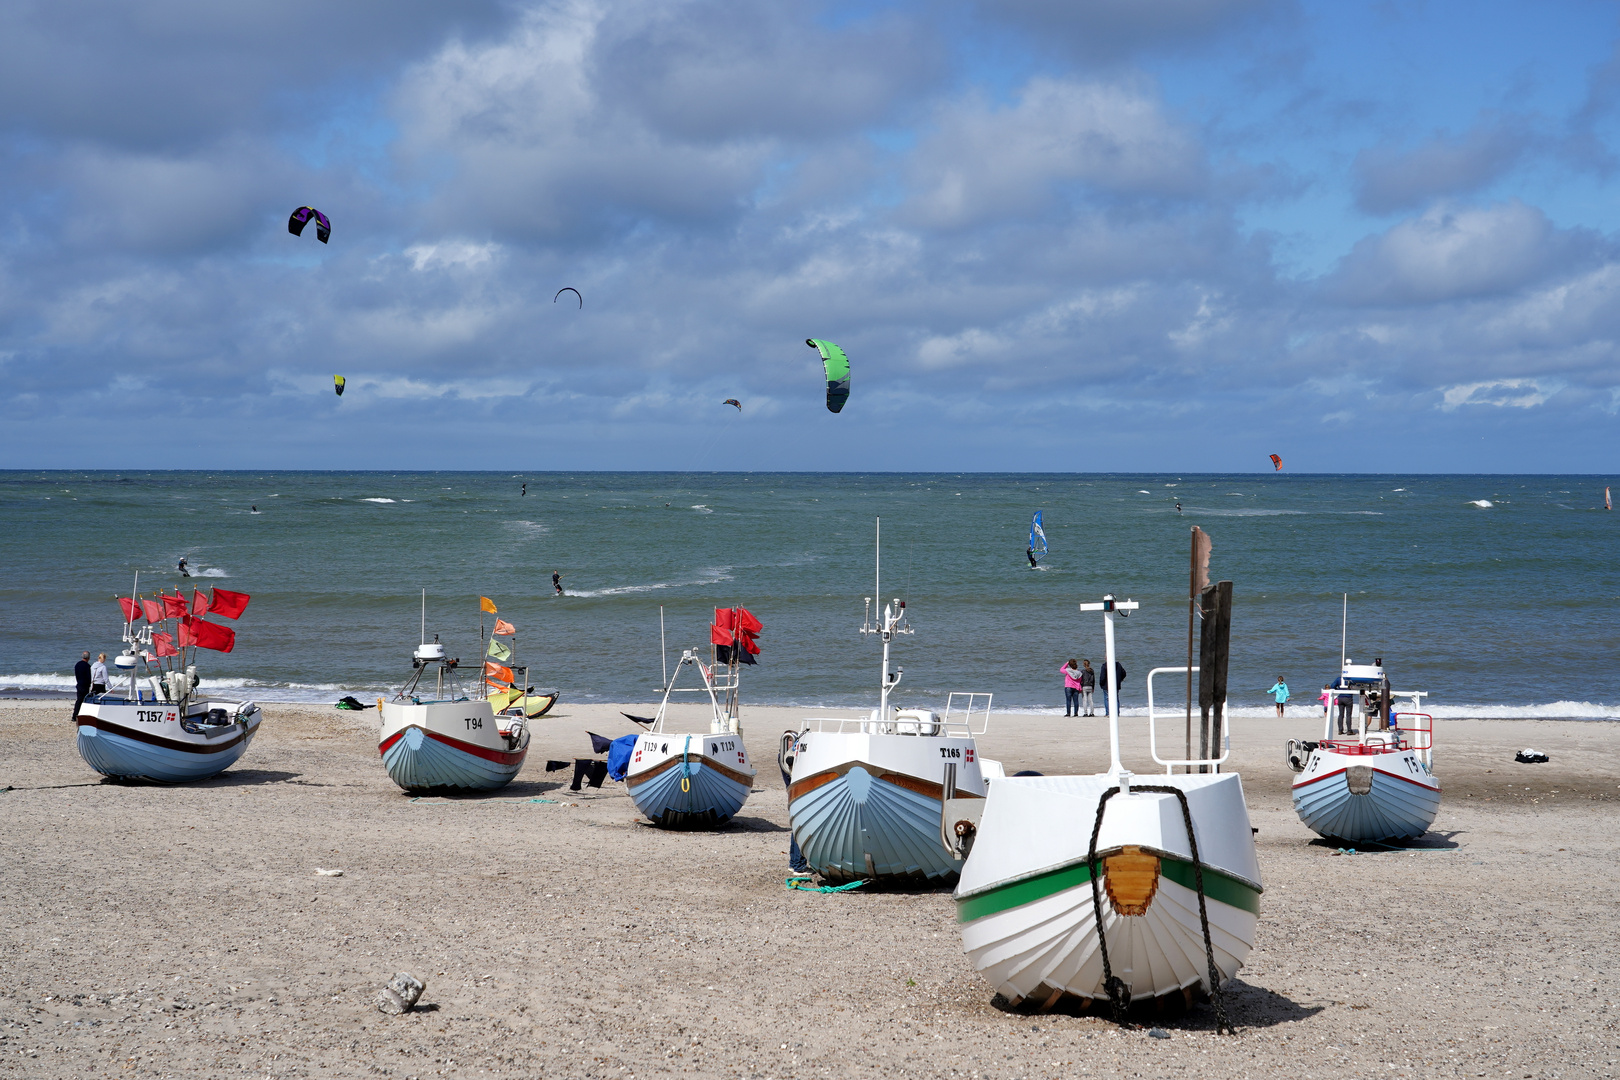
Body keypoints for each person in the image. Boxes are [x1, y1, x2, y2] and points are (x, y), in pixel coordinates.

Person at [72, 652, 92, 722]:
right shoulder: (87, 666)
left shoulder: (77, 664)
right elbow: (89, 677)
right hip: (85, 685)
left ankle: (74, 716)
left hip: (79, 684)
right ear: (88, 658)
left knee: (79, 701)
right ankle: (83, 716)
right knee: (85, 701)